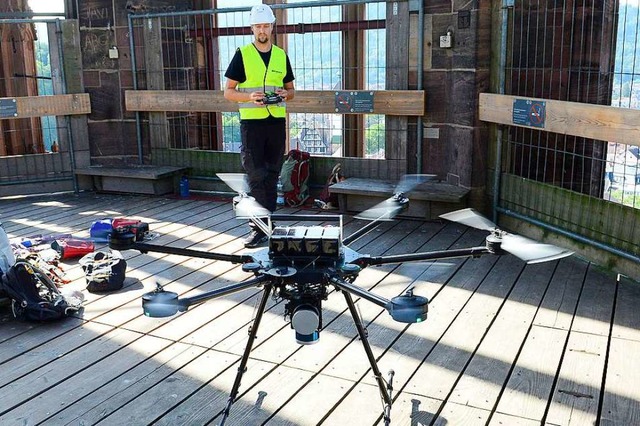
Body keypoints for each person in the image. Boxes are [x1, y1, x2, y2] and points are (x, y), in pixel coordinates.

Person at [224, 3, 295, 248]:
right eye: (258, 26)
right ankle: (257, 227)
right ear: (252, 28)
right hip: (252, 123)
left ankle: (269, 222)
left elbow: (291, 90)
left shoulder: (280, 55)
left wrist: (285, 95)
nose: (262, 30)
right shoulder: (242, 54)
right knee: (255, 173)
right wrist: (249, 97)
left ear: (272, 27)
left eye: (266, 25)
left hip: (275, 122)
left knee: (272, 172)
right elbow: (228, 92)